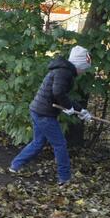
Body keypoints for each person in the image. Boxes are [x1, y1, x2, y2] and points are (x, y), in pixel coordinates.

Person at [9, 45, 93, 185]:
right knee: (60, 144)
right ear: (78, 65)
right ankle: (64, 178)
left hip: (38, 110)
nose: (83, 72)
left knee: (38, 142)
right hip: (44, 114)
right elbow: (58, 93)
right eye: (84, 69)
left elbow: (62, 95)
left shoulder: (63, 70)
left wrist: (81, 111)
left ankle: (15, 165)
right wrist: (69, 107)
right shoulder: (64, 73)